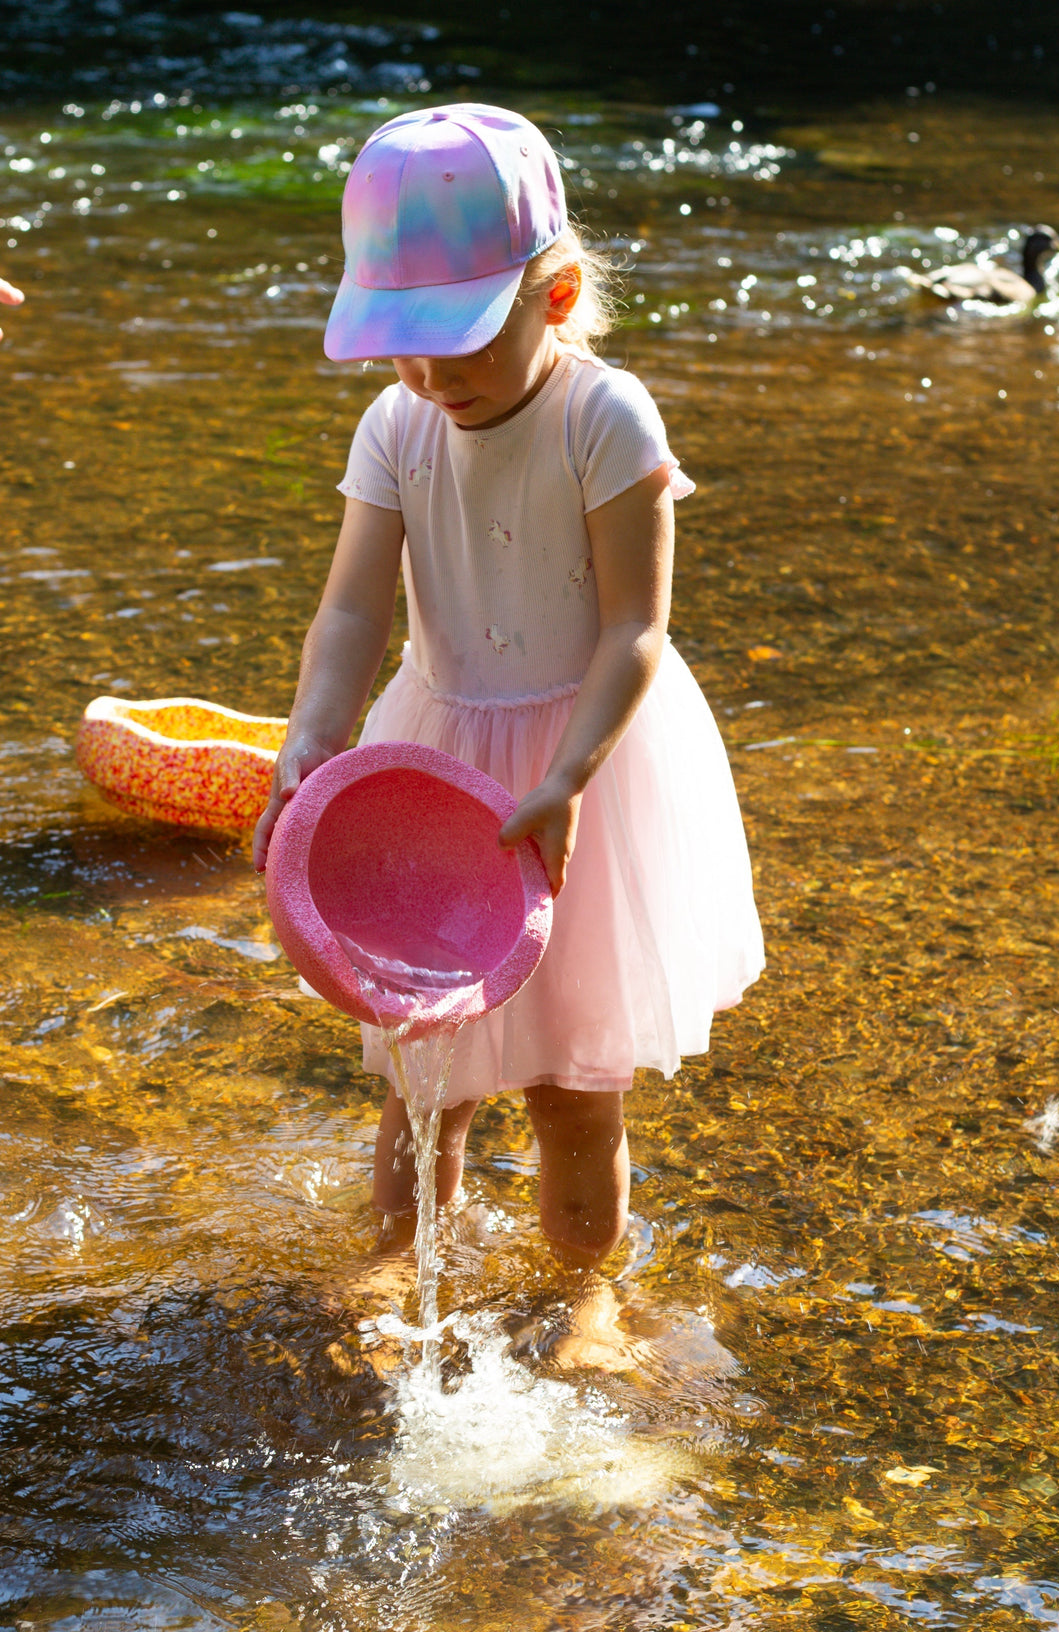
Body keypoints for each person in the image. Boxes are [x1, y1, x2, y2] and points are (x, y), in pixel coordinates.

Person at [253, 104, 764, 1270]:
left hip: (587, 762)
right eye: (401, 341)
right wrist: (311, 739)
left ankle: (582, 1301)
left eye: (460, 338)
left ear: (557, 296)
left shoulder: (603, 417)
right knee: (424, 1080)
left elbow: (636, 624)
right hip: (432, 757)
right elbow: (349, 611)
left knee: (573, 1085)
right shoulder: (396, 425)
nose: (429, 373)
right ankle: (390, 1281)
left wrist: (572, 776)